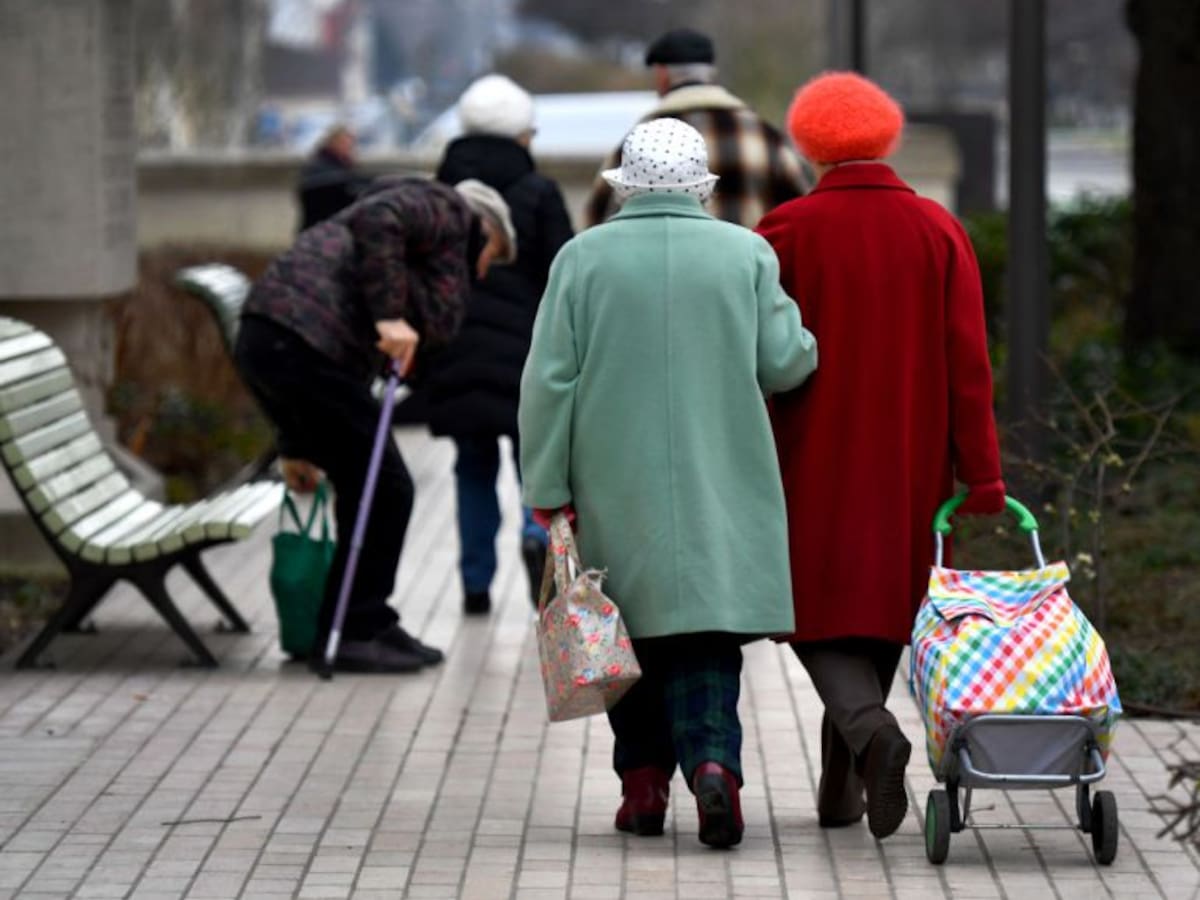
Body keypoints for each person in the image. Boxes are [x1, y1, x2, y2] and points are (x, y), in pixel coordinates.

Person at [520, 119, 818, 848]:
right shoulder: (745, 253)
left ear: (627, 184)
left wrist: (546, 484)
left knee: (628, 635)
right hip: (722, 477)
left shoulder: (581, 260)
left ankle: (643, 785)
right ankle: (715, 764)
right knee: (707, 636)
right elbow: (786, 362)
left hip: (609, 480)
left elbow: (549, 382)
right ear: (700, 187)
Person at [755, 72, 1005, 839]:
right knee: (883, 608)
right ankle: (844, 788)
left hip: (810, 453)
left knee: (814, 609)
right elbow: (969, 360)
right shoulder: (938, 229)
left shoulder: (785, 231)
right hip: (911, 456)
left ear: (810, 140)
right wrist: (983, 471)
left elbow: (758, 354)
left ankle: (868, 734)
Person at [235, 176, 517, 674]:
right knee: (386, 487)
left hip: (278, 339)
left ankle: (363, 620)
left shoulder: (423, 245)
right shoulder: (447, 209)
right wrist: (389, 318)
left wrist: (295, 443)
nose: (483, 269)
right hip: (303, 342)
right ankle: (356, 628)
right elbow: (378, 219)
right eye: (491, 254)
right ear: (486, 228)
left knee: (368, 483)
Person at [427, 74, 575, 616]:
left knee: (471, 467)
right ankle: (537, 546)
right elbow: (564, 276)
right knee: (533, 466)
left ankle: (474, 582)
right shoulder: (540, 194)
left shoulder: (440, 194)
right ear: (520, 135)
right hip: (524, 356)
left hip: (457, 351)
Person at [583, 28, 808, 228]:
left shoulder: (640, 140)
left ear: (662, 75)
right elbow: (801, 211)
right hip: (747, 272)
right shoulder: (763, 135)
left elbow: (596, 218)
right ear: (711, 72)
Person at [297, 124, 368, 231]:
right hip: (319, 229)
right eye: (344, 143)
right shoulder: (320, 165)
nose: (349, 148)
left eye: (351, 144)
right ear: (332, 143)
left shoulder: (343, 166)